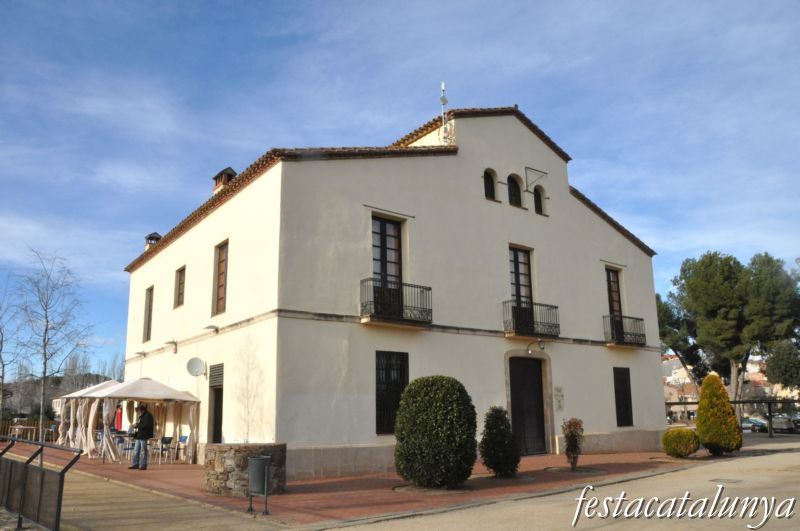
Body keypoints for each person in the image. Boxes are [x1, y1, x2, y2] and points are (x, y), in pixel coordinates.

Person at [128, 404, 154, 470]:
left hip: (144, 435)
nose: (137, 413)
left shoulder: (148, 416)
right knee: (136, 450)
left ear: (141, 410)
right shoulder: (141, 416)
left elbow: (145, 425)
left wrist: (137, 425)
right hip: (139, 435)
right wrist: (136, 424)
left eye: (138, 411)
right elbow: (140, 423)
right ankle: (135, 464)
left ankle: (143, 465)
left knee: (143, 451)